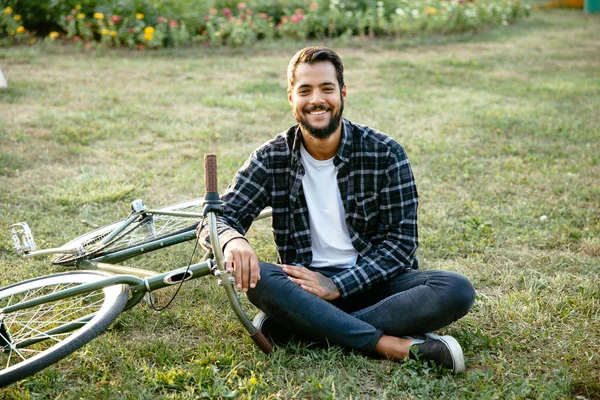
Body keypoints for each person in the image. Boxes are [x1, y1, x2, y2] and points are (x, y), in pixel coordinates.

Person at [198, 46, 475, 373]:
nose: (317, 99)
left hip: (376, 287)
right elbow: (216, 220)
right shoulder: (271, 157)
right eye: (305, 90)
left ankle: (297, 328)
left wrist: (340, 286)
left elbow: (401, 247)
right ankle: (391, 346)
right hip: (305, 288)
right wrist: (232, 241)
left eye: (326, 88)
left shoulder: (385, 153)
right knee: (261, 278)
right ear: (291, 98)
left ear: (342, 93)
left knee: (455, 289)